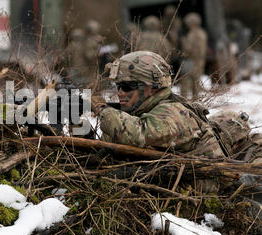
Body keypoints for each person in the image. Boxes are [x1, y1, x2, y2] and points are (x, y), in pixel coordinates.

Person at [92, 50, 225, 160]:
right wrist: (77, 118)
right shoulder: (133, 114)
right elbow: (94, 152)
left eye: (127, 86)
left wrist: (102, 109)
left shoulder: (174, 112)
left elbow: (140, 133)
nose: (120, 93)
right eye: (118, 86)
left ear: (153, 88)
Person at [180, 12, 208, 100]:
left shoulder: (192, 34)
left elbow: (188, 49)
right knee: (196, 87)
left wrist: (183, 41)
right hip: (200, 62)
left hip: (191, 62)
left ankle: (183, 104)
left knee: (184, 85)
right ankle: (195, 105)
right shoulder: (203, 33)